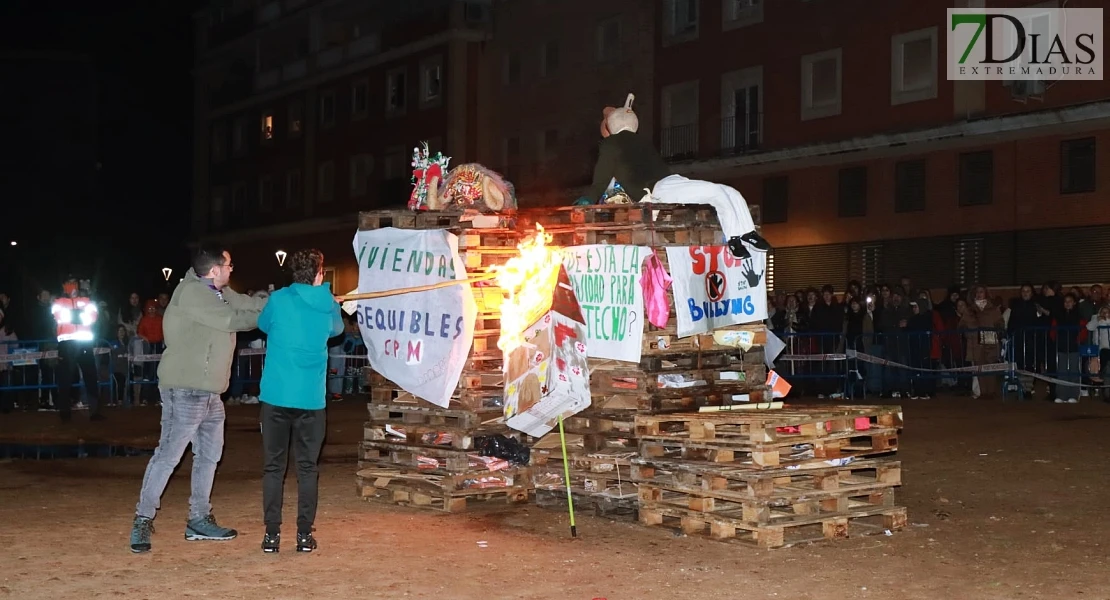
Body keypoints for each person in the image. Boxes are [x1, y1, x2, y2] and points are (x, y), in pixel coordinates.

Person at [129, 245, 267, 553]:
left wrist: (283, 301)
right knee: (168, 456)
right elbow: (234, 320)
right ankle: (142, 518)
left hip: (210, 391)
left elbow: (247, 304)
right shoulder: (193, 293)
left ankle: (199, 519)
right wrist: (276, 313)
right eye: (229, 264)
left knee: (209, 457)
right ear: (214, 270)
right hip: (185, 389)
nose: (233, 268)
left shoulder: (219, 290)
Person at [588, 93, 770, 259]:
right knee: (716, 192)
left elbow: (605, 176)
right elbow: (601, 178)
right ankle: (734, 239)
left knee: (727, 190)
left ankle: (748, 232)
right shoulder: (613, 145)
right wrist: (588, 199)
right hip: (657, 189)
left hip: (669, 182)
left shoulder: (635, 143)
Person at [256, 249, 343, 553]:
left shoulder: (279, 300)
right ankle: (304, 535)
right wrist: (330, 302)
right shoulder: (327, 305)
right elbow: (338, 330)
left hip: (276, 397)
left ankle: (271, 536)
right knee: (307, 468)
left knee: (273, 468)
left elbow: (264, 325)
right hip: (310, 401)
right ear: (320, 273)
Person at [52, 275, 101, 421]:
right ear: (63, 285)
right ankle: (65, 414)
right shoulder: (58, 302)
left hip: (85, 343)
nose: (72, 285)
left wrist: (74, 316)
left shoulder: (86, 301)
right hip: (66, 345)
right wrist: (80, 316)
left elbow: (93, 318)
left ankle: (95, 412)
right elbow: (60, 318)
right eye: (69, 283)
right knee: (65, 380)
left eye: (74, 283)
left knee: (91, 378)